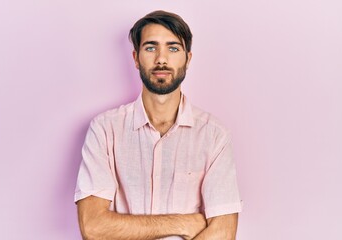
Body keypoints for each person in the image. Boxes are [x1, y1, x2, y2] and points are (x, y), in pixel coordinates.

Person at [74, 10, 242, 240]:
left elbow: (223, 233)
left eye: (173, 48)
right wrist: (183, 222)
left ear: (188, 59)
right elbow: (93, 227)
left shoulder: (214, 136)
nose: (161, 59)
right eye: (151, 47)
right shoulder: (104, 130)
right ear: (136, 58)